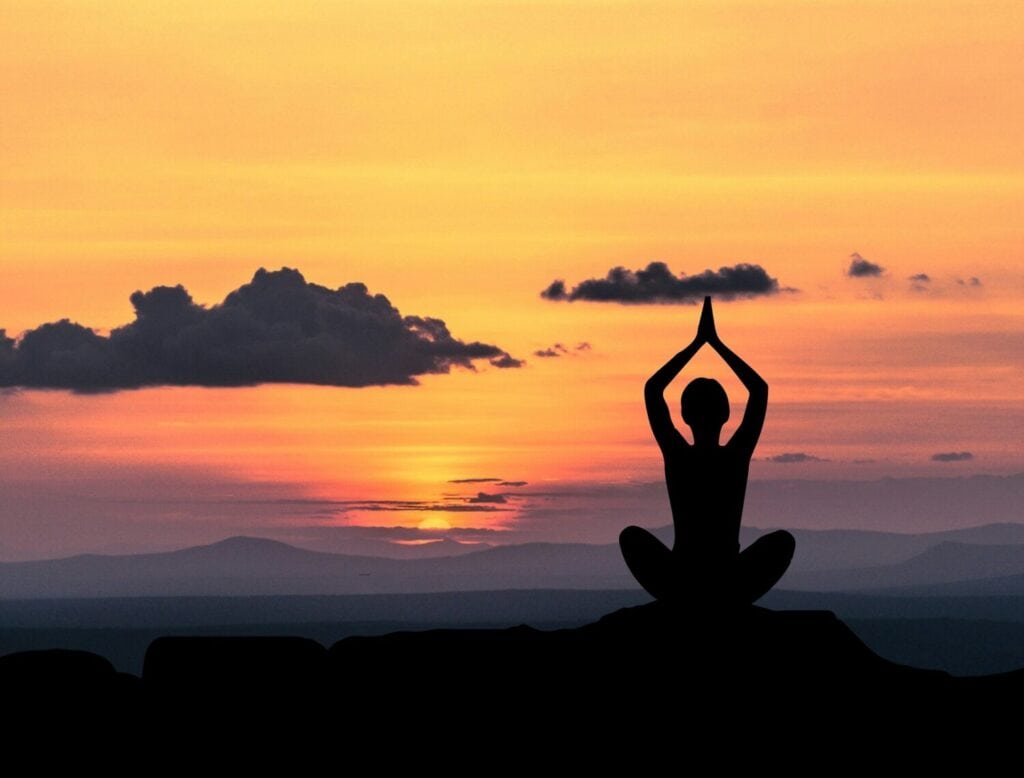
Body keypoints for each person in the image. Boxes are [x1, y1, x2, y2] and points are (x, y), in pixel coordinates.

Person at [619, 296, 795, 606]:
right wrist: (714, 344)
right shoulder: (735, 455)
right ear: (727, 414)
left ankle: (691, 599)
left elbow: (653, 389)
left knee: (631, 537)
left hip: (683, 577)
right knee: (782, 542)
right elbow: (759, 390)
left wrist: (698, 344)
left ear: (684, 415)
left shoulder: (678, 454)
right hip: (727, 577)